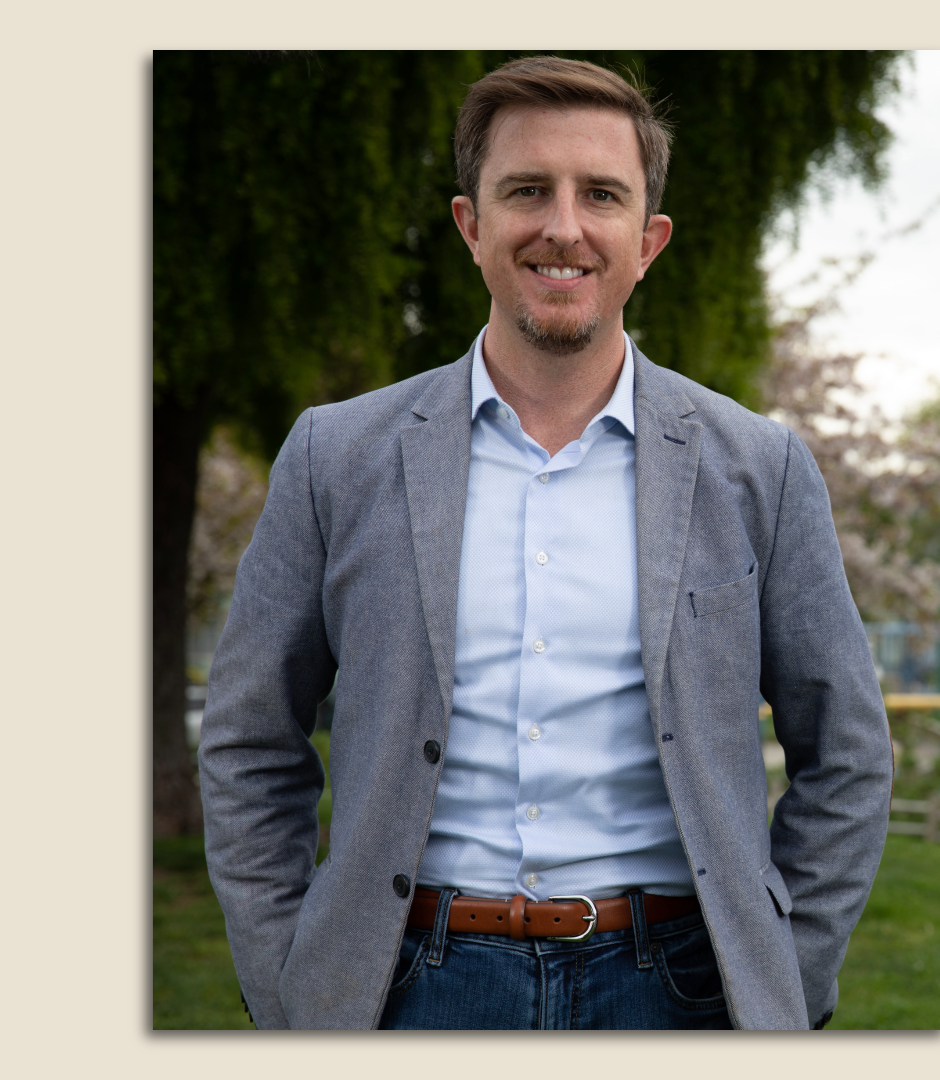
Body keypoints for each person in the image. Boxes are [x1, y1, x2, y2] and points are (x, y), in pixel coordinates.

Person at [199, 55, 892, 1031]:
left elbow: (849, 753)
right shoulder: (335, 457)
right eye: (527, 189)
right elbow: (248, 740)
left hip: (684, 994)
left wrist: (790, 973)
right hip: (409, 991)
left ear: (647, 241)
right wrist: (287, 981)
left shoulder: (757, 469)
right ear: (470, 225)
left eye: (600, 195)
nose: (563, 226)